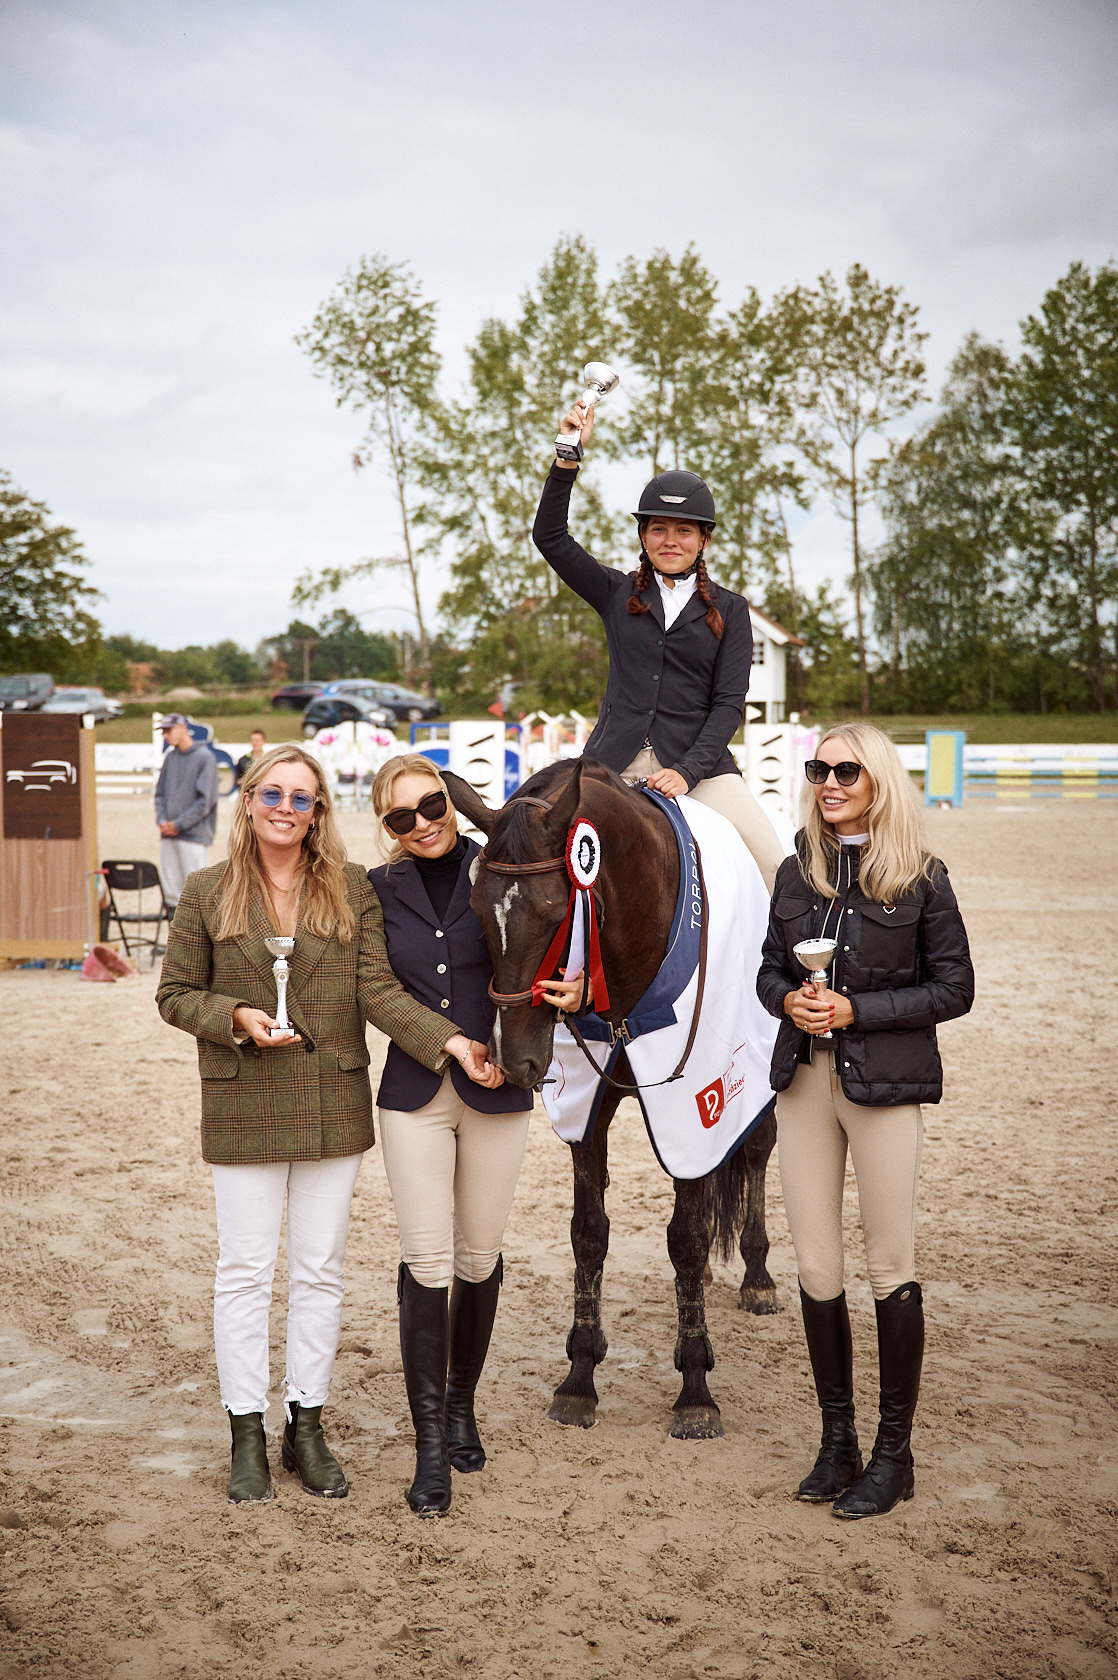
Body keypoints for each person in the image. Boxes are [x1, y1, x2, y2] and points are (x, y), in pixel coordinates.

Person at [156, 744, 501, 1506]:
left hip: (332, 1099)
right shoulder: (207, 890)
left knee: (319, 1272)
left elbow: (377, 986)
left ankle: (304, 1425)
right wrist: (236, 1016)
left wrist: (446, 1043)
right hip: (243, 1095)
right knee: (244, 1273)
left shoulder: (351, 889)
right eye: (272, 794)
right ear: (248, 801)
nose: (286, 808)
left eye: (302, 797)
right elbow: (175, 992)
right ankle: (246, 1430)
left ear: (318, 811)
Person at [756, 722, 974, 1518]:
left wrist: (858, 1009)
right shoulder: (794, 871)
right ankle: (837, 1441)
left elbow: (955, 990)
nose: (829, 781)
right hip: (804, 1085)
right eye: (818, 769)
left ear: (877, 778)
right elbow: (768, 971)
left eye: (845, 769)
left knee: (890, 1264)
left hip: (885, 1085)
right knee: (816, 1267)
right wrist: (788, 997)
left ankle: (894, 1454)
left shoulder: (921, 877)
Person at [368, 753, 585, 1517]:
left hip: (500, 1093)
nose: (423, 825)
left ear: (452, 801)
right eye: (402, 818)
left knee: (479, 1255)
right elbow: (376, 987)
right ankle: (431, 1444)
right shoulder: (377, 889)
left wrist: (576, 989)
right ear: (385, 827)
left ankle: (461, 1406)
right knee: (425, 1258)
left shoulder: (505, 864)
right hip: (415, 1092)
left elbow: (552, 946)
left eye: (432, 806)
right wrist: (451, 1042)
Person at [532, 400, 785, 891]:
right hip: (611, 763)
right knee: (533, 854)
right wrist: (567, 457)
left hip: (701, 767)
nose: (671, 540)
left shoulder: (731, 610)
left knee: (775, 865)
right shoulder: (615, 593)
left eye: (684, 530)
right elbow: (551, 537)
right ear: (643, 535)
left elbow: (728, 704)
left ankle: (787, 968)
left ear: (703, 540)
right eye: (659, 529)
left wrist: (687, 772)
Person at [154, 714, 219, 909]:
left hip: (194, 836)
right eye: (164, 731)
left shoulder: (205, 758)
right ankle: (174, 937)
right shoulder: (170, 758)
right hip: (168, 835)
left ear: (182, 727)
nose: (166, 735)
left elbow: (205, 801)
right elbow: (159, 794)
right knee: (171, 893)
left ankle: (196, 939)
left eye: (169, 730)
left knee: (195, 893)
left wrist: (178, 824)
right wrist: (163, 820)